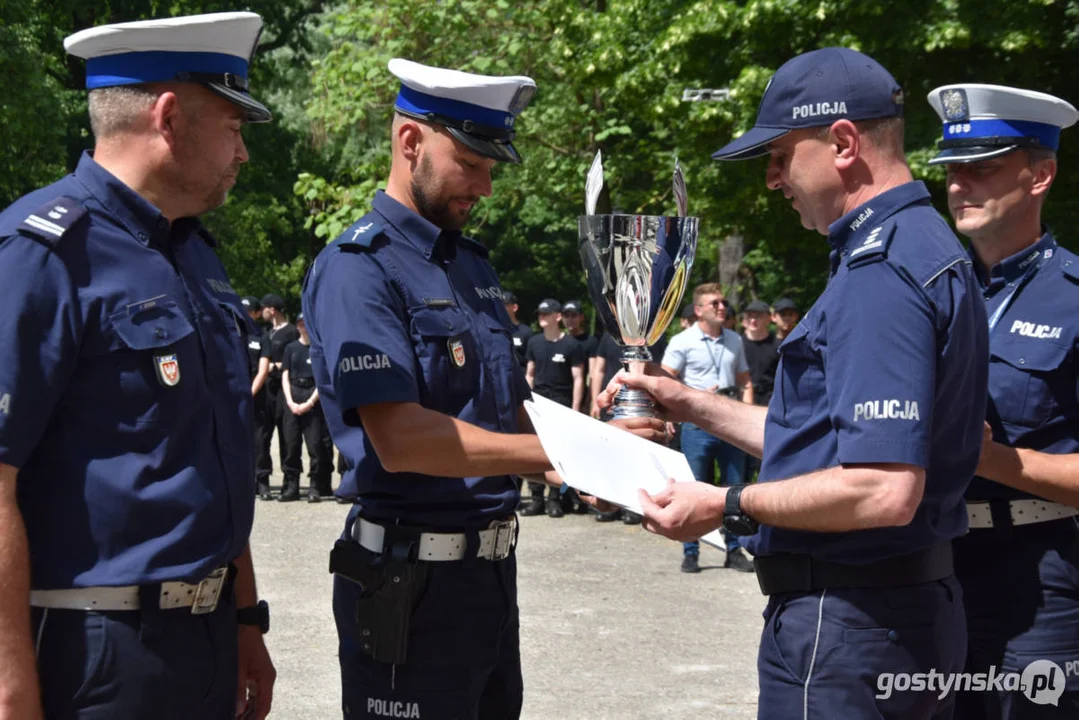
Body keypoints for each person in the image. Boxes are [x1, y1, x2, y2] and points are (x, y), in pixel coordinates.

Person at [602, 47, 988, 718]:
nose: (771, 179)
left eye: (779, 156)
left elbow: (880, 488)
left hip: (849, 623)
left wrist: (725, 505)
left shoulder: (881, 274)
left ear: (841, 142)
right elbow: (827, 441)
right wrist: (689, 402)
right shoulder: (919, 245)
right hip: (889, 615)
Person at [301, 58, 665, 719]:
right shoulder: (360, 269)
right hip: (407, 585)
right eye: (470, 163)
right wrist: (570, 455)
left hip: (489, 577)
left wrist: (600, 446)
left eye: (491, 167)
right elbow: (402, 439)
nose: (485, 187)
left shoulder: (470, 265)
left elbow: (500, 411)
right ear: (410, 141)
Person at [0, 13, 276, 719]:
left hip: (205, 638)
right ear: (169, 115)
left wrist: (244, 619)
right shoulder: (42, 254)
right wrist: (10, 688)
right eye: (233, 126)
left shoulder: (195, 254)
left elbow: (210, 457)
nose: (242, 153)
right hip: (94, 647)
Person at [927, 83, 1079, 717]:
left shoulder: (1073, 296)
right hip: (929, 568)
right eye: (953, 171)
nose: (960, 186)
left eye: (982, 169)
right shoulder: (928, 290)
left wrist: (988, 460)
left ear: (1039, 174)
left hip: (1039, 582)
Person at [660, 283, 753, 573]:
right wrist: (675, 410)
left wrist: (747, 415)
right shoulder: (682, 341)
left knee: (735, 487)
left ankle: (734, 550)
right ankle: (691, 550)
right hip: (696, 424)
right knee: (693, 486)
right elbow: (666, 381)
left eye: (724, 302)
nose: (722, 307)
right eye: (715, 303)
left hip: (731, 422)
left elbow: (745, 381)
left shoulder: (735, 340)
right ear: (699, 310)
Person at [590, 329, 668, 524]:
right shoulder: (609, 336)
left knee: (639, 456)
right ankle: (611, 501)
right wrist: (593, 400)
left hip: (644, 406)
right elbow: (599, 368)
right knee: (611, 454)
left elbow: (659, 370)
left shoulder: (655, 336)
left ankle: (634, 504)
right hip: (615, 402)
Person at [522, 299, 586, 518]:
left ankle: (554, 499)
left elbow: (578, 379)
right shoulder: (534, 342)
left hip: (561, 402)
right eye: (539, 313)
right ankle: (536, 499)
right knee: (534, 449)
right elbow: (529, 374)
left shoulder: (571, 345)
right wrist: (524, 402)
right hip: (537, 400)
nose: (541, 317)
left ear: (557, 317)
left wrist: (576, 408)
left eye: (546, 313)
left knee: (557, 452)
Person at [282, 313, 335, 502]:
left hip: (313, 396)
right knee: (291, 445)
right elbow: (285, 376)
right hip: (293, 395)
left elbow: (323, 380)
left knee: (315, 446)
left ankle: (315, 486)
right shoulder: (291, 348)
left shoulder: (318, 350)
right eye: (300, 324)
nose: (303, 327)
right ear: (297, 326)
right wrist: (290, 401)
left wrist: (310, 403)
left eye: (306, 324)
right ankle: (291, 485)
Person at [258, 293, 301, 501]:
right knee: (263, 435)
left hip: (285, 389)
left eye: (264, 308)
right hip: (267, 390)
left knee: (288, 436)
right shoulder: (266, 333)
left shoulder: (292, 332)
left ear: (272, 309)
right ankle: (262, 481)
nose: (262, 311)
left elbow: (298, 357)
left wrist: (277, 366)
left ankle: (290, 482)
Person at [243, 296, 273, 498]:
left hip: (256, 396)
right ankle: (243, 482)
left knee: (260, 441)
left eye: (247, 310)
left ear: (255, 313)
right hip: (235, 396)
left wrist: (249, 393)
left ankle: (262, 482)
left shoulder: (261, 337)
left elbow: (262, 371)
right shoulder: (232, 334)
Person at [561, 299, 599, 404]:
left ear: (581, 317)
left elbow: (592, 374)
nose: (570, 319)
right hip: (559, 394)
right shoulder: (560, 340)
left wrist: (587, 401)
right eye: (566, 316)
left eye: (574, 315)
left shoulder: (590, 341)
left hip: (579, 394)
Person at [502, 290, 533, 367]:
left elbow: (532, 361)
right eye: (498, 304)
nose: (500, 307)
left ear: (514, 307)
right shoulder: (493, 330)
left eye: (504, 304)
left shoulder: (526, 332)